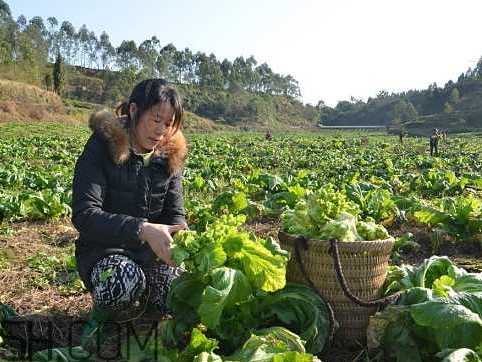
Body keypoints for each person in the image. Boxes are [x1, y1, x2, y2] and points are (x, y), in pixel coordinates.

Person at [71, 79, 188, 347]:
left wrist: (181, 236)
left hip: (151, 254)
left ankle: (146, 308)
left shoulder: (169, 156)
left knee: (181, 290)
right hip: (105, 252)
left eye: (169, 123)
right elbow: (84, 214)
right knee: (122, 282)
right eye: (156, 119)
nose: (161, 130)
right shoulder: (102, 147)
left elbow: (175, 216)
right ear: (134, 110)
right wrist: (142, 228)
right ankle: (101, 317)